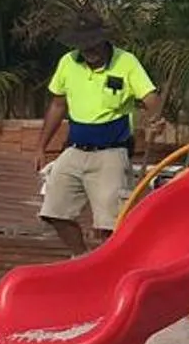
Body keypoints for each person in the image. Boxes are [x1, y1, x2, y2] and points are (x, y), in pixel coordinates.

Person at [36, 14, 160, 253]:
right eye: (83, 45)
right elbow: (58, 105)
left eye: (92, 43)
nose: (88, 50)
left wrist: (155, 120)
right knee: (53, 212)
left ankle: (109, 263)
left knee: (110, 224)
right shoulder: (68, 62)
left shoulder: (126, 62)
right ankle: (81, 258)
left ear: (103, 40)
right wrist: (41, 146)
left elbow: (151, 98)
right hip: (75, 149)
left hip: (111, 153)